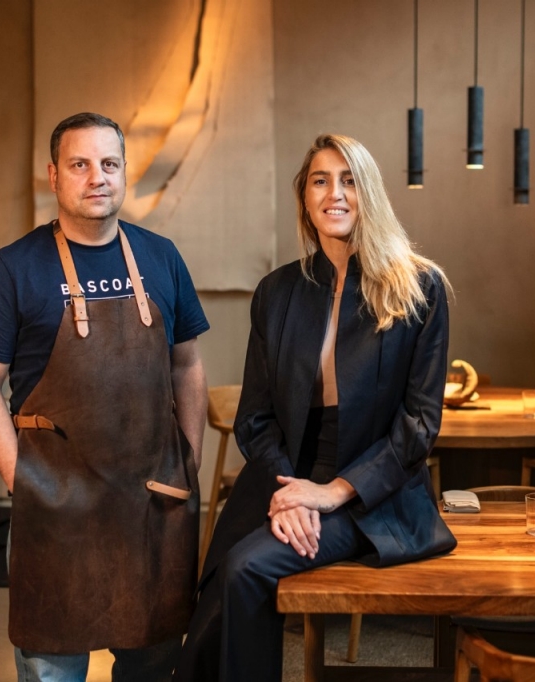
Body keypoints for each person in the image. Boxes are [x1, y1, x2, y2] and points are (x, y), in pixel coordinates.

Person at [173, 133, 457, 682]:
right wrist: (293, 492)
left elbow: (419, 427)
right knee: (210, 592)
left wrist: (330, 494)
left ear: (368, 192)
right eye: (321, 181)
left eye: (349, 180)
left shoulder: (420, 287)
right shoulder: (277, 292)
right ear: (305, 197)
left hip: (374, 495)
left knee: (244, 569)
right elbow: (255, 418)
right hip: (286, 477)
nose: (336, 194)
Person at [0, 112, 210, 682]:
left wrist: (189, 459)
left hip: (152, 505)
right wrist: (17, 474)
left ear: (124, 175)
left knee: (153, 664)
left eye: (110, 164)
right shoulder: (13, 268)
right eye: (80, 164)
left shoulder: (161, 257)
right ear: (54, 176)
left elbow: (188, 365)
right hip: (55, 511)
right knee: (52, 669)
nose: (97, 177)